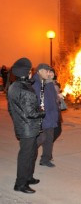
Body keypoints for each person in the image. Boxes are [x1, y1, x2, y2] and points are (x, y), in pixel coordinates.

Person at [7, 57, 45, 194]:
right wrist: (42, 112)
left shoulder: (12, 87)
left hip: (23, 127)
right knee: (26, 156)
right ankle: (20, 184)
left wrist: (18, 120)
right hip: (29, 128)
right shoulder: (25, 90)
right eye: (31, 70)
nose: (31, 72)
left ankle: (28, 177)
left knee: (30, 153)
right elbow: (31, 113)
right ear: (27, 72)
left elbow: (11, 110)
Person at [32, 63, 59, 167]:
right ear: (40, 71)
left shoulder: (48, 82)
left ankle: (45, 159)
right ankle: (28, 155)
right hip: (41, 116)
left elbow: (53, 98)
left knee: (49, 139)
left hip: (51, 116)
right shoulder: (35, 83)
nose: (48, 73)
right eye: (46, 71)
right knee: (40, 138)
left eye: (49, 71)